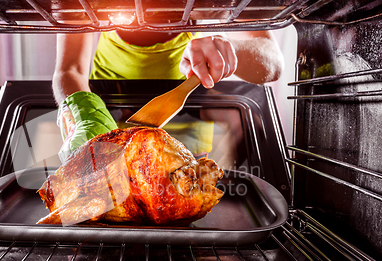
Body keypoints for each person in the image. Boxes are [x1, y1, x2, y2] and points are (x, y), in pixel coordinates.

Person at [52, 27, 284, 162]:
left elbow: (273, 61)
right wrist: (84, 113)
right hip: (108, 122)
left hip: (188, 133)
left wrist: (230, 52)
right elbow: (69, 69)